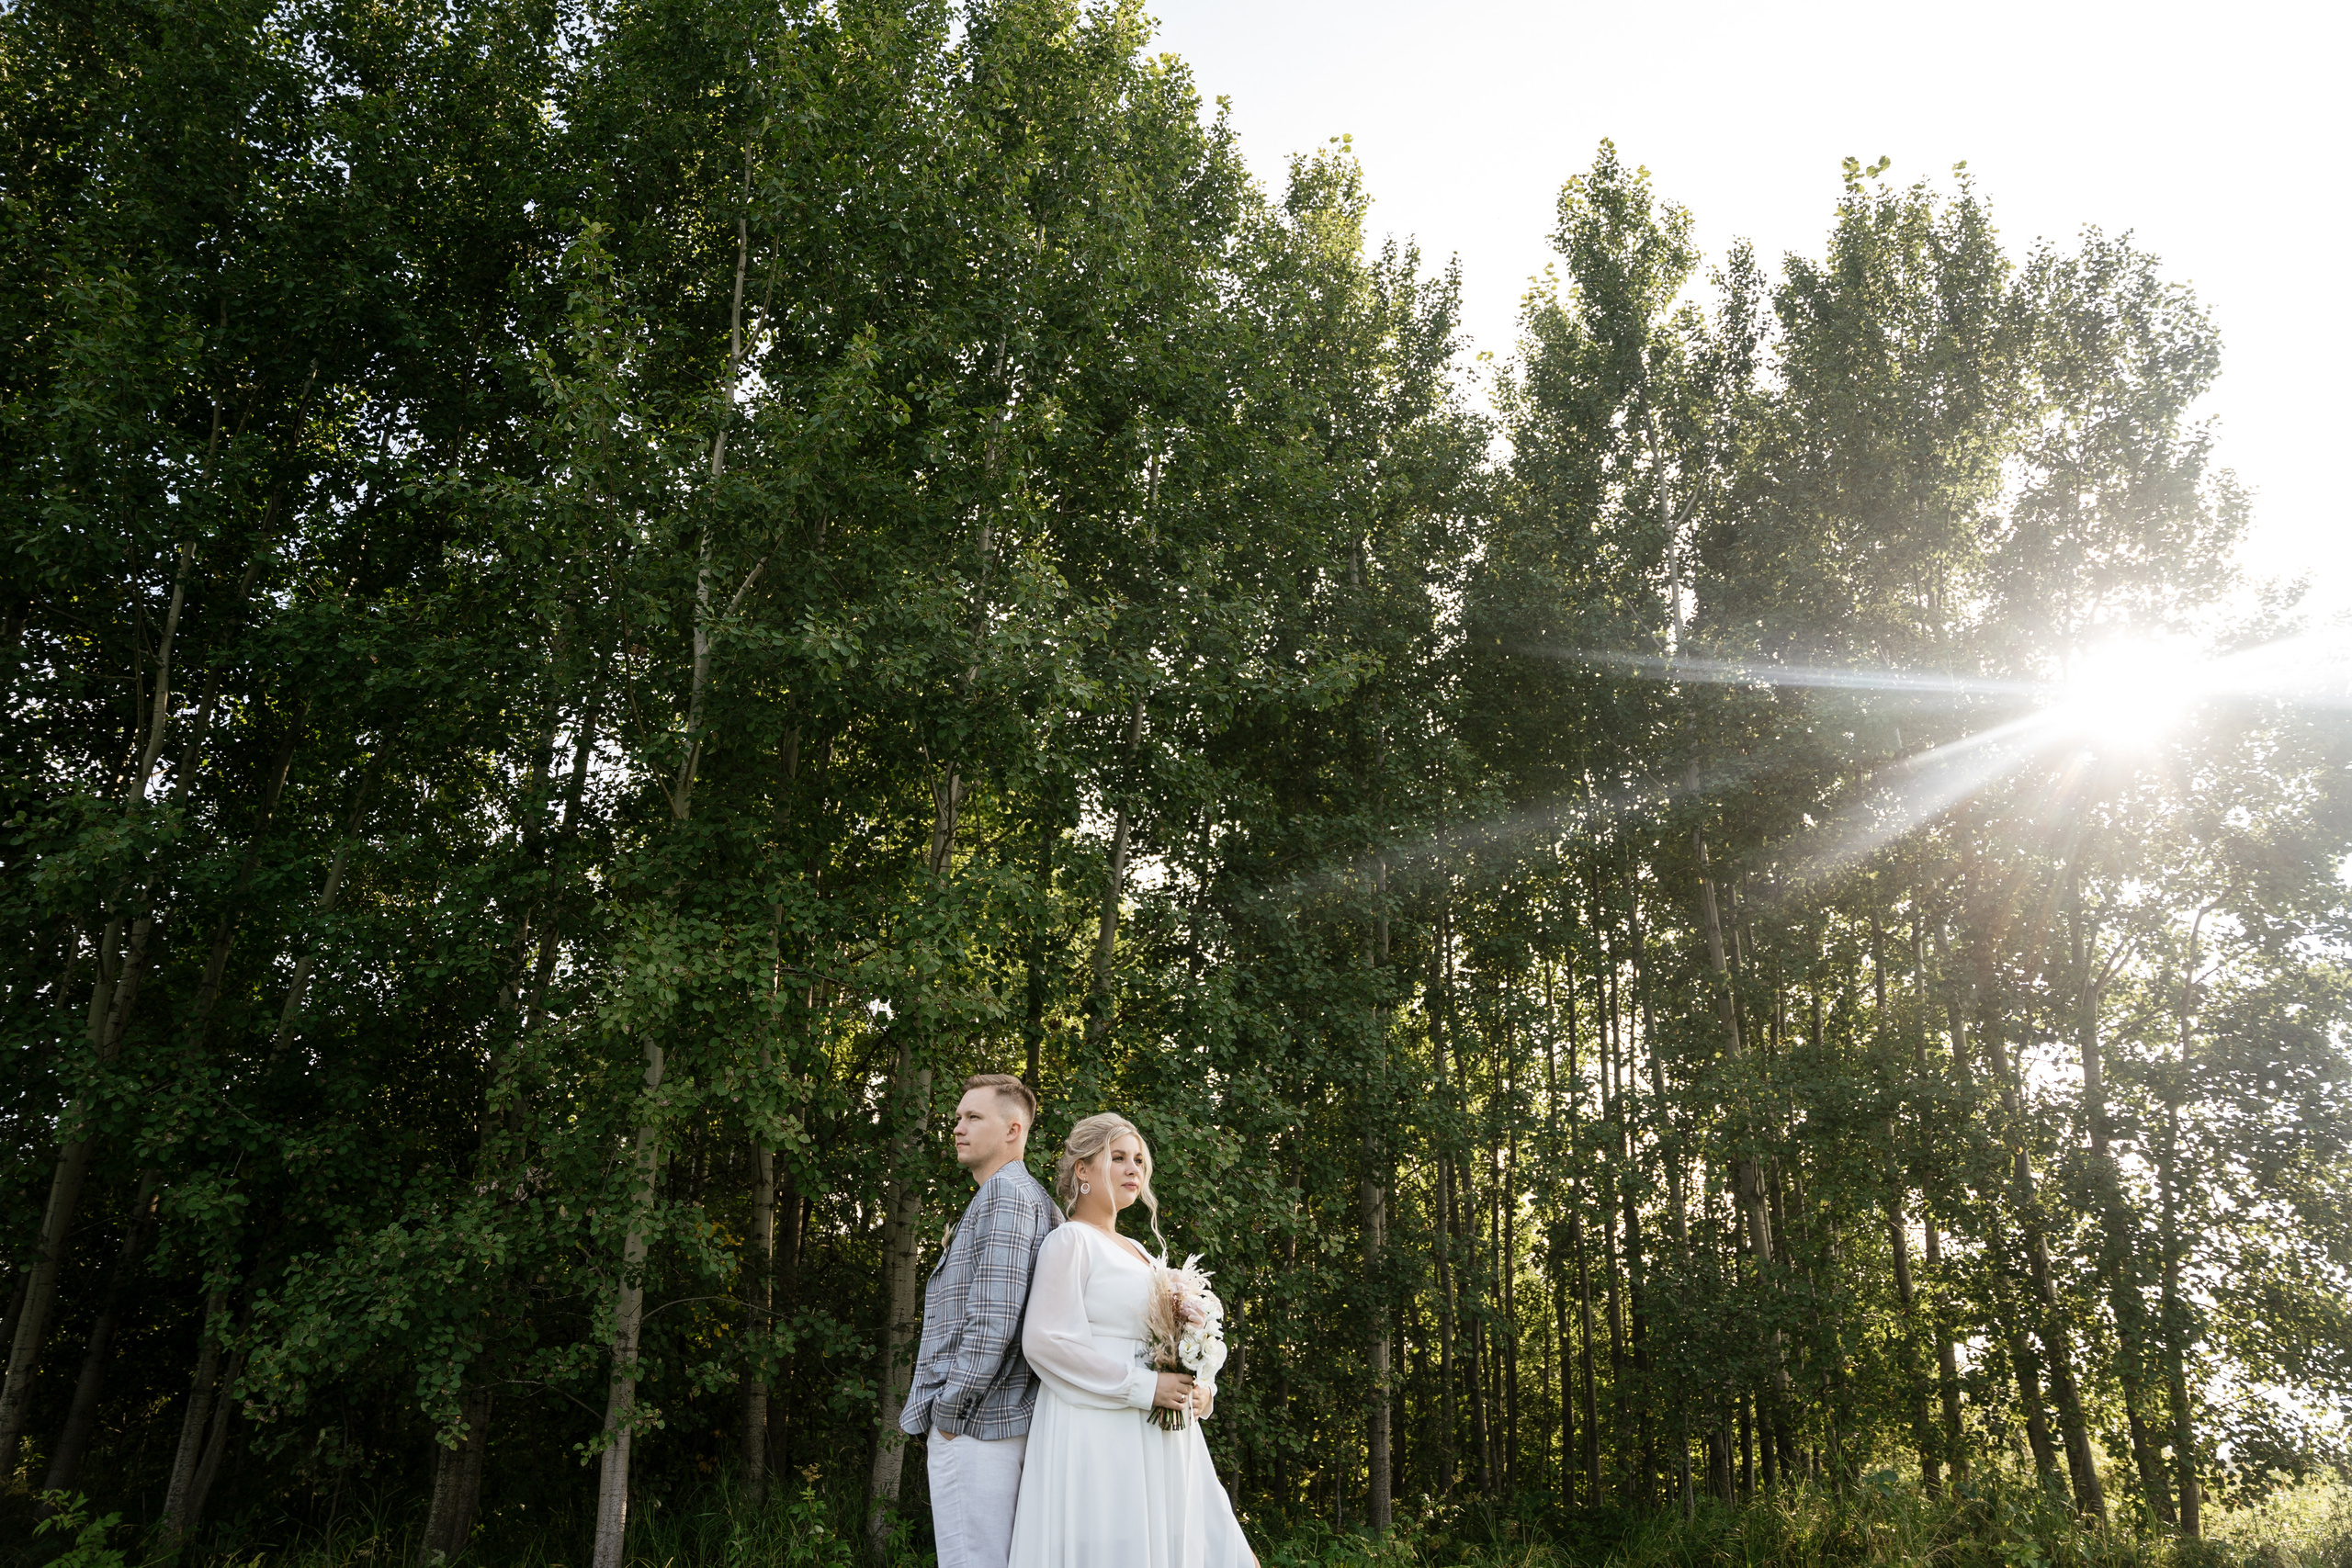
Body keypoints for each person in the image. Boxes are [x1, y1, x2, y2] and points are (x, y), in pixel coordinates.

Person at [1005, 1112, 1256, 1568]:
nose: (1133, 1169)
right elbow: (1045, 1342)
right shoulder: (1070, 1242)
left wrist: (1198, 1387)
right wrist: (1144, 1388)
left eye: (1139, 1160)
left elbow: (1170, 1339)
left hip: (1161, 1431)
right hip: (1100, 1426)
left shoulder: (1140, 1250)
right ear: (1082, 1169)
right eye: (1117, 1157)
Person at [900, 1074, 1061, 1568]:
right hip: (997, 1420)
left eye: (973, 1117)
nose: (958, 1128)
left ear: (1014, 1129)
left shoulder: (1007, 1195)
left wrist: (950, 1412)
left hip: (977, 1425)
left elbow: (995, 1318)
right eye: (957, 1118)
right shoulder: (1026, 1196)